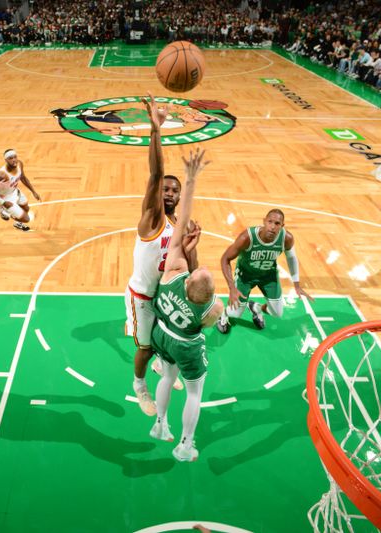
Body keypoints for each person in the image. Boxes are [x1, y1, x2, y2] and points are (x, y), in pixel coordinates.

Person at [126, 93, 200, 417]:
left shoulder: (177, 226)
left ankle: (160, 365)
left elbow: (188, 271)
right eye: (165, 189)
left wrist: (192, 250)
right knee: (144, 346)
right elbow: (156, 173)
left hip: (164, 293)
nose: (169, 192)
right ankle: (139, 387)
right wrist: (156, 130)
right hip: (142, 295)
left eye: (174, 190)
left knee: (162, 340)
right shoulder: (152, 218)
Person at [148, 147, 222, 462]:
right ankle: (185, 444)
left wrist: (191, 182)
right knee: (194, 393)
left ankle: (159, 425)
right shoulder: (211, 309)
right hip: (185, 344)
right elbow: (207, 322)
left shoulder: (172, 274)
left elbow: (180, 228)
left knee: (166, 377)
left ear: (189, 280)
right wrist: (190, 181)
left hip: (161, 335)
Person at [216, 209, 313, 334]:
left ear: (282, 226)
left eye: (277, 223)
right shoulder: (247, 237)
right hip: (245, 276)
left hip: (268, 276)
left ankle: (255, 308)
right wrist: (232, 288)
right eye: (270, 222)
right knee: (235, 313)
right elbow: (225, 259)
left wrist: (297, 285)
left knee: (277, 312)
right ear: (264, 221)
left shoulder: (286, 238)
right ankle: (224, 314)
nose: (272, 227)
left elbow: (292, 258)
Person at [0, 148, 41, 232]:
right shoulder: (1, 174)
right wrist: (2, 202)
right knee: (26, 219)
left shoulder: (19, 164)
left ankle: (17, 224)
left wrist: (33, 191)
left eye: (15, 157)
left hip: (14, 191)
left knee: (26, 208)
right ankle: (4, 210)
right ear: (5, 160)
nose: (14, 160)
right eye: (10, 158)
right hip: (5, 197)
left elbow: (23, 177)